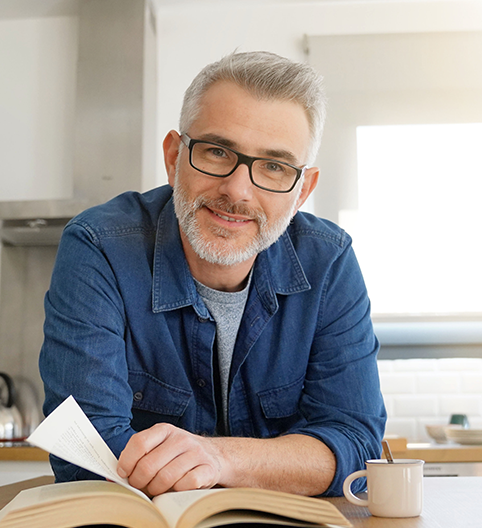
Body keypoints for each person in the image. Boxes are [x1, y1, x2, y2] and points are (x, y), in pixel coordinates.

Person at [40, 51, 386, 498]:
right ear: (173, 157)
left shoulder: (330, 262)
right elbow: (86, 453)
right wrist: (284, 463)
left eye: (275, 167)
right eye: (217, 152)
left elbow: (356, 444)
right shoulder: (99, 247)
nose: (237, 191)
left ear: (303, 190)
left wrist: (220, 458)